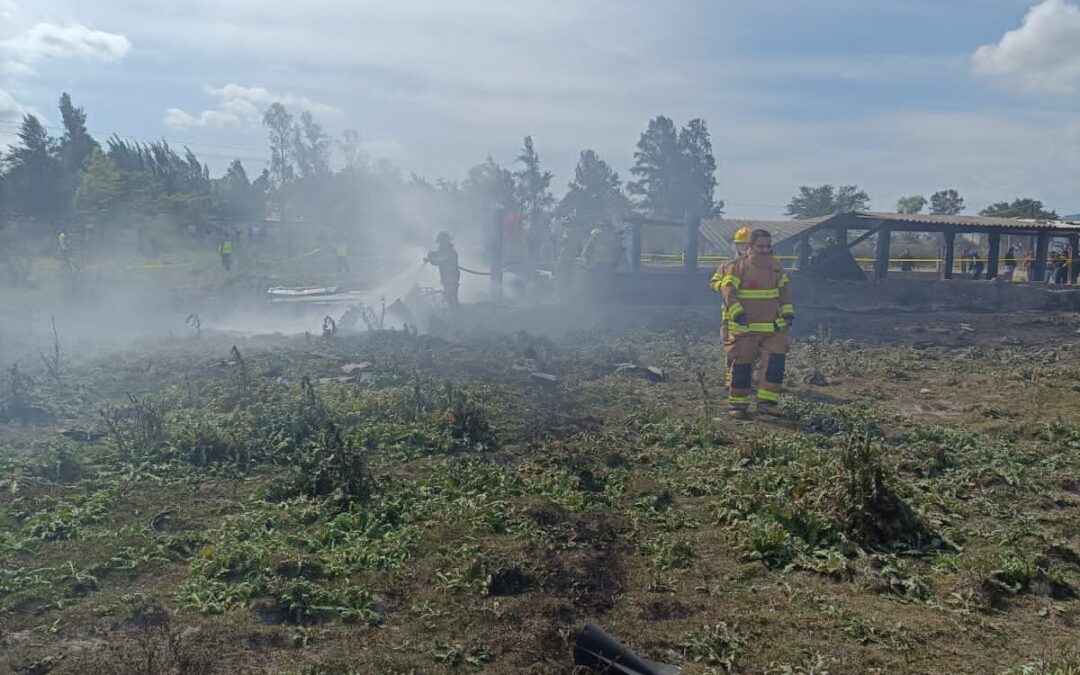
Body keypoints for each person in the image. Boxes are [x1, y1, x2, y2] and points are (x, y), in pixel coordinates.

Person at [710, 229, 793, 420]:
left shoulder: (776, 267)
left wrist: (788, 315)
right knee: (742, 366)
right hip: (745, 329)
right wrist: (737, 313)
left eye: (768, 246)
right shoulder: (736, 267)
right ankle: (738, 405)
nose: (765, 250)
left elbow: (785, 294)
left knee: (775, 364)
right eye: (760, 246)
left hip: (772, 328)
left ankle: (767, 404)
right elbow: (727, 291)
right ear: (749, 246)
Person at [721, 226, 754, 386]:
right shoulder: (728, 265)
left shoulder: (760, 268)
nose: (743, 248)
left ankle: (743, 379)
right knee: (731, 349)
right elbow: (713, 283)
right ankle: (731, 378)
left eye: (746, 245)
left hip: (751, 317)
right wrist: (726, 285)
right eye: (740, 245)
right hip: (729, 317)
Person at [424, 231, 460, 307]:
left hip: (452, 278)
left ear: (446, 242)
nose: (440, 244)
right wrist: (431, 254)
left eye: (442, 242)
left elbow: (443, 259)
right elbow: (437, 253)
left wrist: (432, 260)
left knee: (451, 297)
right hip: (445, 277)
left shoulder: (451, 252)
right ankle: (452, 312)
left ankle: (456, 313)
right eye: (440, 243)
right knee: (448, 297)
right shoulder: (443, 250)